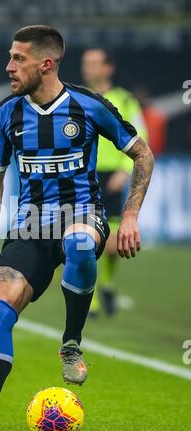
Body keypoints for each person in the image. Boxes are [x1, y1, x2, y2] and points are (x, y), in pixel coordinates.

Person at [0, 25, 154, 431]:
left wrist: (131, 216)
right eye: (10, 57)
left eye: (18, 59)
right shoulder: (6, 114)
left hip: (82, 214)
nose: (9, 67)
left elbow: (142, 155)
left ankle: (71, 343)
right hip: (28, 228)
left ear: (45, 64)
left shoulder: (89, 106)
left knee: (79, 242)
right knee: (0, 305)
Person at [81, 48, 148, 316]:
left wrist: (124, 170)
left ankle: (107, 283)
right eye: (86, 64)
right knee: (86, 238)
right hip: (87, 175)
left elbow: (140, 137)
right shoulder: (79, 97)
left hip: (113, 175)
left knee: (112, 245)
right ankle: (94, 298)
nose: (88, 69)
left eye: (94, 64)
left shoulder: (126, 100)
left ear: (108, 68)